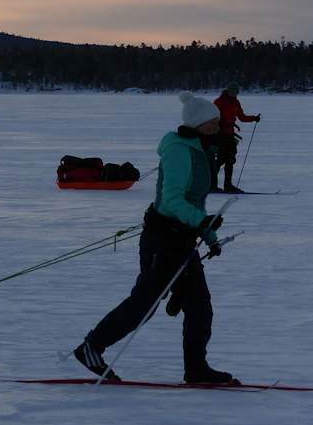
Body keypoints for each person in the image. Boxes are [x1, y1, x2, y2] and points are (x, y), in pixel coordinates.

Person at [72, 92, 237, 385]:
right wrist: (202, 221)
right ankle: (91, 348)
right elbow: (172, 201)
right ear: (197, 124)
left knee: (199, 306)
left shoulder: (201, 148)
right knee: (144, 305)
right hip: (162, 240)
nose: (218, 125)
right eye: (213, 121)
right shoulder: (179, 151)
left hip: (183, 240)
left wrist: (208, 233)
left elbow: (194, 202)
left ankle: (196, 370)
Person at [211, 83, 260, 194]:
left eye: (236, 92)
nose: (234, 94)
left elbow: (241, 117)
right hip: (219, 135)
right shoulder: (219, 102)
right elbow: (212, 117)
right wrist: (218, 125)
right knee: (220, 160)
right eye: (232, 92)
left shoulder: (236, 103)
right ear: (228, 91)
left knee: (230, 160)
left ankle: (228, 186)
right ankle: (211, 185)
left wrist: (253, 118)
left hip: (230, 135)